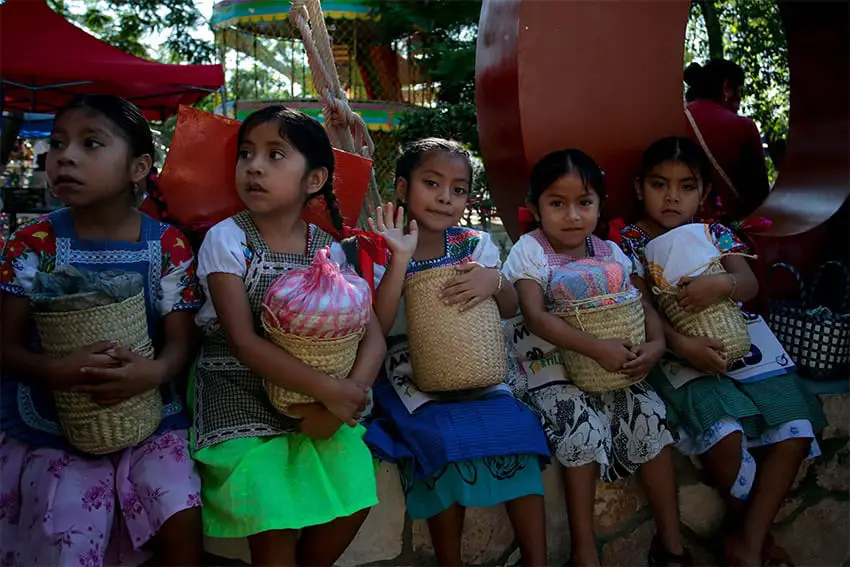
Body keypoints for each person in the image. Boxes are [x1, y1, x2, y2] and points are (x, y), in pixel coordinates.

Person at [0, 94, 203, 566]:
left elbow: (181, 342)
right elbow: (5, 346)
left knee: (179, 511)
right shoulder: (32, 243)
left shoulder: (168, 244)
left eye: (91, 143)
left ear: (138, 168)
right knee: (67, 526)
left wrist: (153, 374)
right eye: (57, 144)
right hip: (51, 423)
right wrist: (54, 371)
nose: (64, 156)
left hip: (152, 416)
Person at [191, 105, 386, 566]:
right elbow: (243, 342)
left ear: (314, 180)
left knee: (356, 488)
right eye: (246, 154)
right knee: (273, 515)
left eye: (275, 155)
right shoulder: (228, 240)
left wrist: (346, 400)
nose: (254, 166)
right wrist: (330, 390)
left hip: (321, 400)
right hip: (237, 391)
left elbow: (371, 335)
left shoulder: (329, 250)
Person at [620, 136, 827, 567]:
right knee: (725, 431)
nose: (673, 197)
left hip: (742, 342)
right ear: (640, 187)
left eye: (686, 186)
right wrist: (683, 345)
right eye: (660, 184)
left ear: (704, 193)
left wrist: (723, 284)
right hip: (677, 349)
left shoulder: (714, 233)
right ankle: (755, 540)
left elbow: (747, 283)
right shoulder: (629, 241)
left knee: (795, 424)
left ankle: (748, 541)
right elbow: (640, 306)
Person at [364, 138, 551, 567]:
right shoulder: (380, 242)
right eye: (432, 183)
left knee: (520, 434)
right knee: (440, 445)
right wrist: (399, 259)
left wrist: (494, 282)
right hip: (405, 368)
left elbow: (508, 307)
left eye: (459, 189)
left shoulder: (475, 243)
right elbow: (377, 319)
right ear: (401, 188)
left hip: (477, 364)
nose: (446, 197)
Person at [503, 149, 688, 567]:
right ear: (534, 207)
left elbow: (642, 305)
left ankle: (672, 545)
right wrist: (598, 349)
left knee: (650, 414)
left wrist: (656, 347)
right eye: (556, 204)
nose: (572, 216)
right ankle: (585, 552)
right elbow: (534, 317)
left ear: (600, 206)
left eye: (584, 203)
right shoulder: (530, 251)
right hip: (546, 364)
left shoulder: (609, 252)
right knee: (580, 429)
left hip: (609, 366)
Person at [684, 60, 771, 220]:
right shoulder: (743, 127)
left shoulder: (678, 117)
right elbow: (759, 198)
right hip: (728, 232)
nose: (740, 103)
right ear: (726, 87)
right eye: (740, 93)